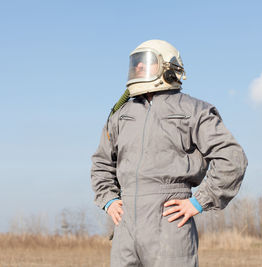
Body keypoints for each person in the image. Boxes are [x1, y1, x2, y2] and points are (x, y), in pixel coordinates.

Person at [91, 40, 248, 266]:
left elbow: (232, 158)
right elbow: (102, 162)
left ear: (168, 67)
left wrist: (199, 201)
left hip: (169, 218)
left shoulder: (195, 110)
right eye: (135, 63)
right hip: (125, 222)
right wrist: (109, 199)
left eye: (146, 62)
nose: (138, 68)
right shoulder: (121, 114)